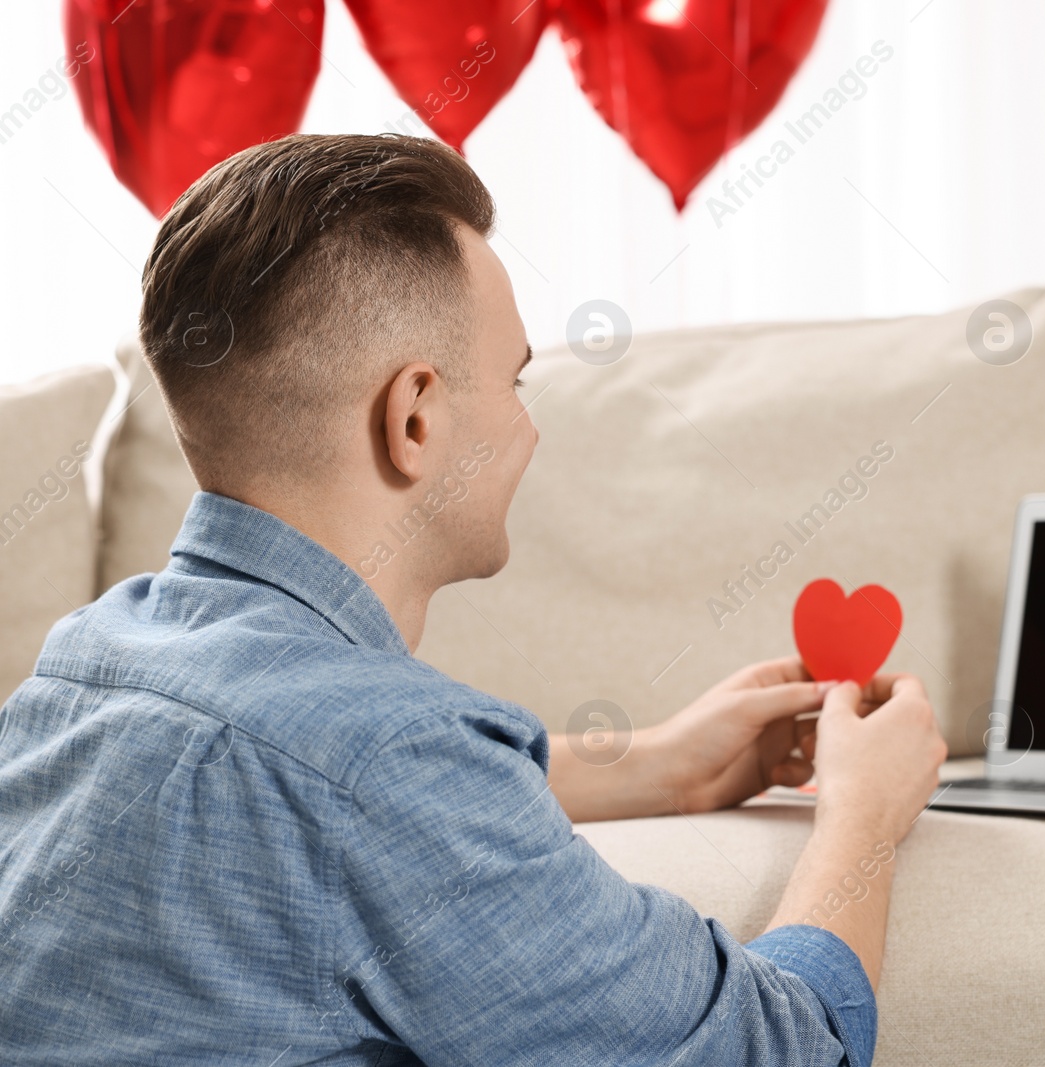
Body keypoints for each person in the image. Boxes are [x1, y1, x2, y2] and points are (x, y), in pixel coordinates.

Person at [0, 133, 947, 1065]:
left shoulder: (86, 662)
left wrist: (666, 765)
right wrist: (865, 813)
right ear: (415, 418)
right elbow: (777, 1050)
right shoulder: (391, 765)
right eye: (513, 379)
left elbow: (304, 797)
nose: (529, 426)